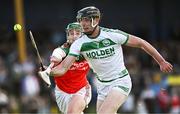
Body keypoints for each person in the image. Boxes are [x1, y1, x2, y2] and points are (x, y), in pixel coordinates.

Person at [39, 6, 173, 114]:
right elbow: (63, 68)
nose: (82, 24)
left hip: (120, 81)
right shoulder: (79, 44)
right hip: (102, 85)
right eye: (81, 20)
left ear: (96, 20)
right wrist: (48, 71)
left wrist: (161, 61)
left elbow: (141, 43)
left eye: (86, 20)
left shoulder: (112, 35)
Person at [39, 22, 91, 114]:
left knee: (73, 112)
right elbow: (57, 56)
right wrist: (49, 69)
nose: (74, 36)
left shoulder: (88, 51)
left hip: (82, 89)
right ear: (67, 36)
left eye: (78, 33)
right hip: (62, 93)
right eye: (71, 33)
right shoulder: (61, 50)